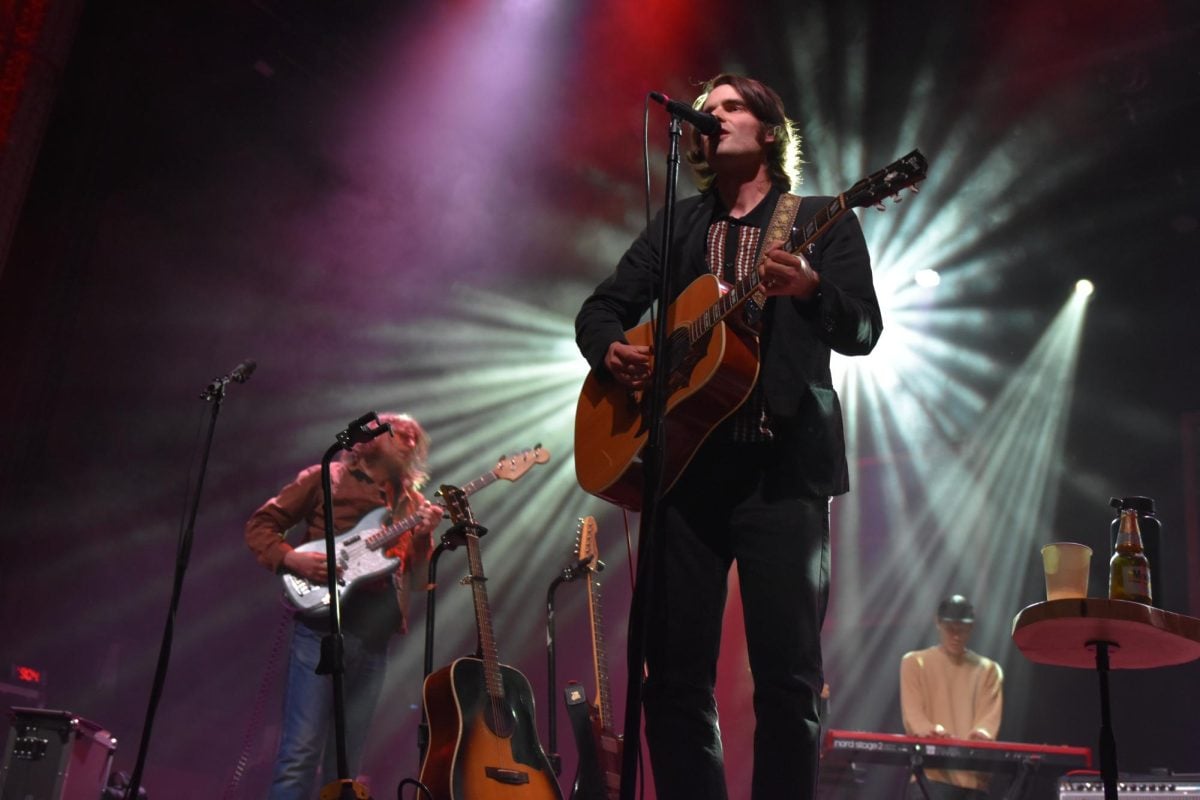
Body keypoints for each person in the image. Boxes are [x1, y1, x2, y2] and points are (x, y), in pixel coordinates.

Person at [575, 74, 883, 799]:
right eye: (705, 113)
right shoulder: (679, 224)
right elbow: (602, 307)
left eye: (729, 107)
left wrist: (812, 288)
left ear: (769, 130)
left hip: (785, 474)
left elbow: (864, 330)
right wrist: (611, 349)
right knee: (671, 680)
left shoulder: (821, 217)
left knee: (788, 680)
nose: (712, 119)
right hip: (685, 473)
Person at [245, 413, 443, 800]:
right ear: (369, 440)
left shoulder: (414, 505)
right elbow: (261, 525)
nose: (407, 438)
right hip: (320, 629)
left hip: (374, 639)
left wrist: (424, 536)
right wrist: (290, 559)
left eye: (413, 437)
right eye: (397, 432)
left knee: (346, 766)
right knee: (299, 753)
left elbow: (420, 581)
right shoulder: (328, 477)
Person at [899, 594, 1004, 799]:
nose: (956, 635)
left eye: (962, 629)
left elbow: (987, 723)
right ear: (938, 623)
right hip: (930, 777)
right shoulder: (914, 663)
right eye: (950, 628)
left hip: (973, 780)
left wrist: (981, 735)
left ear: (971, 627)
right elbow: (913, 716)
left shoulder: (988, 670)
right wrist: (931, 731)